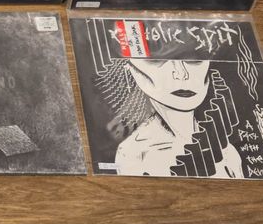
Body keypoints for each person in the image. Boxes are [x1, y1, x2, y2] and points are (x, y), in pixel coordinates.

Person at [102, 56, 243, 178]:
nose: (181, 74)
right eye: (156, 60)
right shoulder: (134, 153)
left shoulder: (225, 147)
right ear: (131, 69)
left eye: (194, 59)